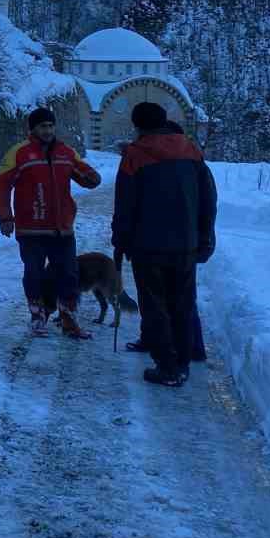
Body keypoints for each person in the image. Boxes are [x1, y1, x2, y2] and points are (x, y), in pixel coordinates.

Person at [112, 102, 217, 387]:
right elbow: (208, 198)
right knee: (182, 303)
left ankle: (167, 366)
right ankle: (182, 361)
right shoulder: (192, 150)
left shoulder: (134, 155)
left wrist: (120, 241)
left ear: (138, 126)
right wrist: (205, 236)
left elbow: (125, 204)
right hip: (185, 245)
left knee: (155, 305)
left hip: (148, 246)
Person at [0, 107, 102, 339]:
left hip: (62, 229)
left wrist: (92, 177)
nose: (48, 130)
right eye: (43, 126)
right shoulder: (19, 153)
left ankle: (69, 319)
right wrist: (5, 217)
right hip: (30, 229)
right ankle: (37, 316)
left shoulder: (66, 152)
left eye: (51, 126)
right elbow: (2, 185)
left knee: (69, 275)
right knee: (34, 273)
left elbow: (86, 175)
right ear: (32, 129)